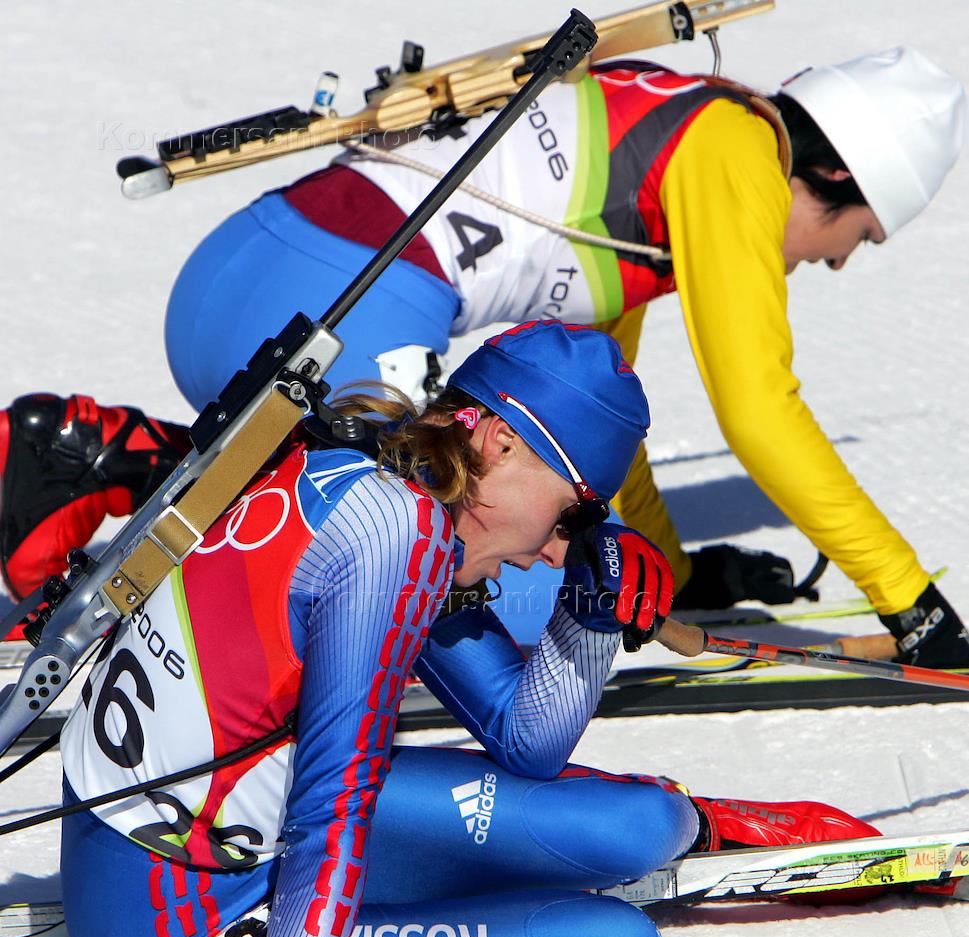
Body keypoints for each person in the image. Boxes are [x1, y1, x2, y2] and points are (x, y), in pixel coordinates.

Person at [56, 321, 885, 937]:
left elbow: (524, 740)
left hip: (171, 834)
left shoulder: (369, 476)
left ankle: (699, 828)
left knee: (627, 827)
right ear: (495, 438)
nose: (553, 553)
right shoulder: (396, 540)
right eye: (569, 514)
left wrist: (590, 614)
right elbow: (331, 808)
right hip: (175, 922)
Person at [3, 47, 966, 665]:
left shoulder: (678, 134)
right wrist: (909, 601)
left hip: (269, 272)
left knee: (491, 535)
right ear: (832, 174)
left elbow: (588, 428)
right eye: (858, 235)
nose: (836, 262)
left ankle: (97, 481)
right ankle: (111, 474)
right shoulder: (734, 156)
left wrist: (661, 571)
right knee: (478, 587)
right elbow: (758, 407)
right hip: (338, 294)